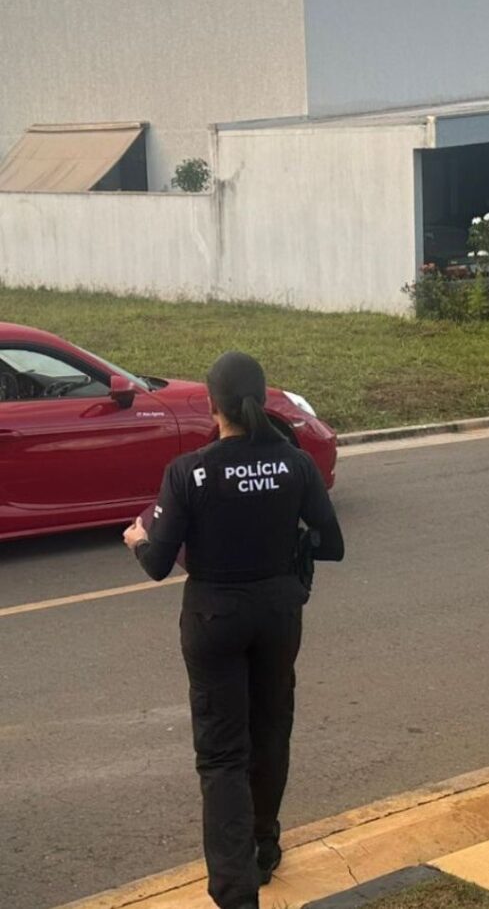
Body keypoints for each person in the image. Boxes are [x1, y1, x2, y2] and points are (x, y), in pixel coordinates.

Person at [123, 351, 343, 909]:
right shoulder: (294, 464)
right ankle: (264, 847)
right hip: (277, 613)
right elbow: (332, 542)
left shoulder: (189, 471)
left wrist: (137, 539)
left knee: (222, 756)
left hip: (214, 618)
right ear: (263, 398)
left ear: (210, 404)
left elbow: (157, 561)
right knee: (270, 733)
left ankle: (236, 890)